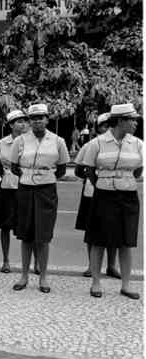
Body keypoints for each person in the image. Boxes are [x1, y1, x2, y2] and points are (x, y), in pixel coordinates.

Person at [81, 103, 143, 299]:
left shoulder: (138, 144)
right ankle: (96, 282)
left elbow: (139, 169)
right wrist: (104, 183)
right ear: (120, 121)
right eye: (131, 119)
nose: (135, 123)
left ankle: (126, 284)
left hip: (128, 195)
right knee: (99, 239)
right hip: (104, 194)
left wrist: (124, 179)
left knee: (126, 240)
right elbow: (89, 170)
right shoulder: (96, 143)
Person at [10, 103, 69, 293]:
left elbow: (61, 169)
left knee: (43, 236)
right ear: (29, 121)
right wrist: (30, 176)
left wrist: (43, 176)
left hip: (47, 190)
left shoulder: (58, 140)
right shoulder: (20, 141)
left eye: (41, 117)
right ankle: (24, 276)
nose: (37, 121)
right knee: (26, 235)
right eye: (34, 118)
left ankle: (43, 277)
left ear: (47, 119)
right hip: (26, 189)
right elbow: (14, 167)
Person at [74, 113, 120, 278]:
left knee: (114, 229)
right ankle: (92, 265)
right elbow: (79, 169)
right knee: (91, 230)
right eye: (104, 125)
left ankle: (112, 265)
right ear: (98, 128)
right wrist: (92, 179)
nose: (108, 129)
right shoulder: (91, 145)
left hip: (115, 192)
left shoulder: (121, 145)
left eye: (111, 125)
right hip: (92, 193)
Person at [0, 109, 28, 273]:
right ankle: (6, 260)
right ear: (11, 125)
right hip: (7, 187)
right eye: (19, 121)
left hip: (26, 186)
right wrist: (6, 177)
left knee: (28, 226)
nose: (23, 124)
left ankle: (30, 263)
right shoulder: (2, 143)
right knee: (5, 226)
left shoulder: (30, 142)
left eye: (24, 121)